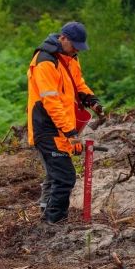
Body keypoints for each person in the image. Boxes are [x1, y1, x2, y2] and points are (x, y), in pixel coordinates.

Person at [27, 22, 104, 224]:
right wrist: (71, 134)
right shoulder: (45, 61)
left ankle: (46, 221)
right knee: (65, 177)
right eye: (75, 44)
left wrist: (92, 101)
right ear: (62, 38)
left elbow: (78, 84)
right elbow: (51, 102)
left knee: (54, 177)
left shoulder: (70, 59)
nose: (77, 49)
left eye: (80, 45)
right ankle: (55, 222)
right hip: (46, 127)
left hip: (60, 129)